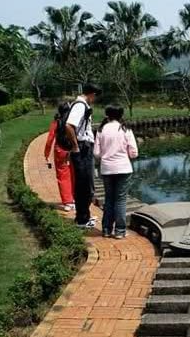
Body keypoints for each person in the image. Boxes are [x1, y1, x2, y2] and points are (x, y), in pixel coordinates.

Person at [94, 105, 138, 238]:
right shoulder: (125, 129)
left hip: (107, 169)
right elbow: (134, 153)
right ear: (121, 115)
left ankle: (106, 229)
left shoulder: (101, 130)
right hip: (123, 168)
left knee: (109, 199)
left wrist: (106, 155)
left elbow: (96, 153)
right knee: (120, 199)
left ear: (107, 114)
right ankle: (120, 231)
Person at [65, 83, 100, 230]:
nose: (95, 99)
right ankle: (82, 219)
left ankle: (84, 215)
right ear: (91, 94)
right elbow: (69, 125)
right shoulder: (80, 105)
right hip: (82, 148)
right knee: (83, 185)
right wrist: (75, 146)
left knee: (84, 184)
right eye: (95, 96)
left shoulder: (81, 104)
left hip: (84, 147)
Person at [44, 100, 75, 210]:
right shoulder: (73, 122)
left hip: (60, 151)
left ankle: (67, 201)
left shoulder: (56, 122)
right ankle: (75, 198)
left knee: (63, 176)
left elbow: (50, 140)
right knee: (73, 174)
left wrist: (46, 154)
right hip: (73, 150)